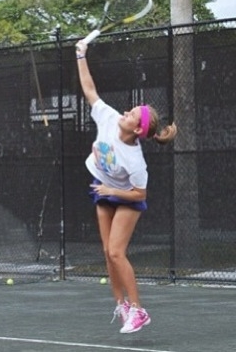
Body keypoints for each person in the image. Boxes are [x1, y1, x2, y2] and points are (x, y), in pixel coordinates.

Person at [75, 40, 177, 334]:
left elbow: (139, 194)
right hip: (103, 185)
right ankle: (121, 306)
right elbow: (89, 89)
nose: (127, 111)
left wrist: (112, 192)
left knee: (118, 252)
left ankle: (139, 310)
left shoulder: (135, 161)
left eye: (133, 113)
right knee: (107, 252)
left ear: (137, 130)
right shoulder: (108, 117)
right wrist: (81, 54)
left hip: (126, 197)